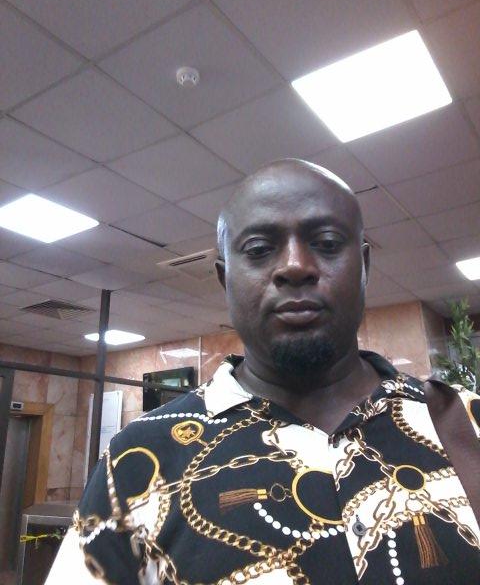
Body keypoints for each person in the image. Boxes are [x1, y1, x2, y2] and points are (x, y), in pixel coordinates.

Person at [47, 159, 480, 584]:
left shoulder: (465, 422)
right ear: (225, 279)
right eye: (258, 250)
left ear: (364, 266)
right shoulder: (134, 461)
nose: (295, 265)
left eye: (327, 242)